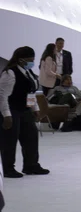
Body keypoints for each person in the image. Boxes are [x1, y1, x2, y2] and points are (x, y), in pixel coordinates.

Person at [0, 47, 48, 178]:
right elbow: (2, 96)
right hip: (11, 110)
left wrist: (35, 109)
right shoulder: (10, 73)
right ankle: (8, 168)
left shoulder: (29, 72)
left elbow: (30, 93)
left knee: (31, 137)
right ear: (21, 59)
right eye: (30, 59)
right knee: (9, 140)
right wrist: (6, 115)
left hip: (25, 110)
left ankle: (31, 165)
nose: (32, 61)